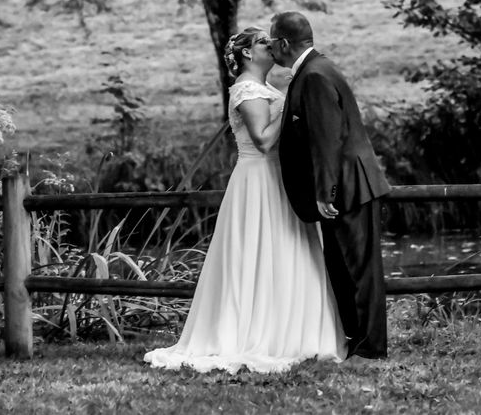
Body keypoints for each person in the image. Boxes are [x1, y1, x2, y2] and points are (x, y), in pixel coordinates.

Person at [143, 26, 346, 374]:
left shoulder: (266, 88)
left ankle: (296, 330)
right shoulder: (247, 90)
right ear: (249, 54)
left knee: (287, 250)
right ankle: (253, 332)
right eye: (265, 43)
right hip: (257, 180)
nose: (273, 47)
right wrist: (293, 109)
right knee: (258, 251)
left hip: (276, 179)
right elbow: (264, 141)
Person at [269, 11, 391, 359]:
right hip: (346, 185)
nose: (271, 47)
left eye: (272, 40)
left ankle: (370, 350)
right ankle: (356, 342)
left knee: (359, 271)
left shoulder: (314, 76)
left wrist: (326, 192)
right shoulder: (315, 69)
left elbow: (327, 139)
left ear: (283, 43)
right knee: (342, 268)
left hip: (347, 187)